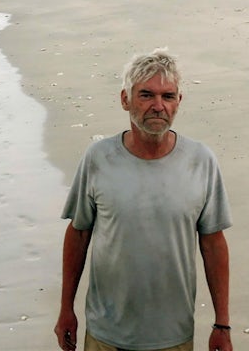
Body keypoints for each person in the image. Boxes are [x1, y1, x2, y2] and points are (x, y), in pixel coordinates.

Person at [54, 48, 233, 351]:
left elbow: (213, 243)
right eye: (146, 95)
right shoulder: (98, 159)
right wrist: (65, 308)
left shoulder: (201, 161)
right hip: (105, 334)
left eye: (168, 96)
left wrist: (222, 324)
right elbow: (79, 232)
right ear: (125, 99)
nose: (158, 106)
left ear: (179, 102)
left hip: (173, 336)